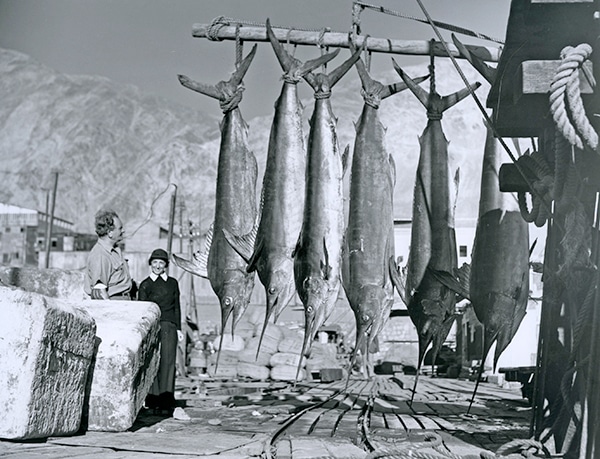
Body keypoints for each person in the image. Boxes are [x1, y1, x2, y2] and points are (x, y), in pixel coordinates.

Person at [138, 248, 183, 412]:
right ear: (150, 264)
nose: (158, 266)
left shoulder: (172, 283)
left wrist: (179, 328)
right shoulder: (145, 284)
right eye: (155, 262)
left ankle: (167, 399)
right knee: (152, 362)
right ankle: (152, 399)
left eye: (161, 263)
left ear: (166, 265)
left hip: (169, 326)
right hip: (152, 328)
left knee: (168, 361)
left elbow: (177, 306)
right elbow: (142, 310)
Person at [85, 209, 133, 300]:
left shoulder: (115, 251)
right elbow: (99, 294)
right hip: (114, 305)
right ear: (110, 233)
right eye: (120, 228)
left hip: (124, 302)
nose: (123, 231)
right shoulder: (100, 255)